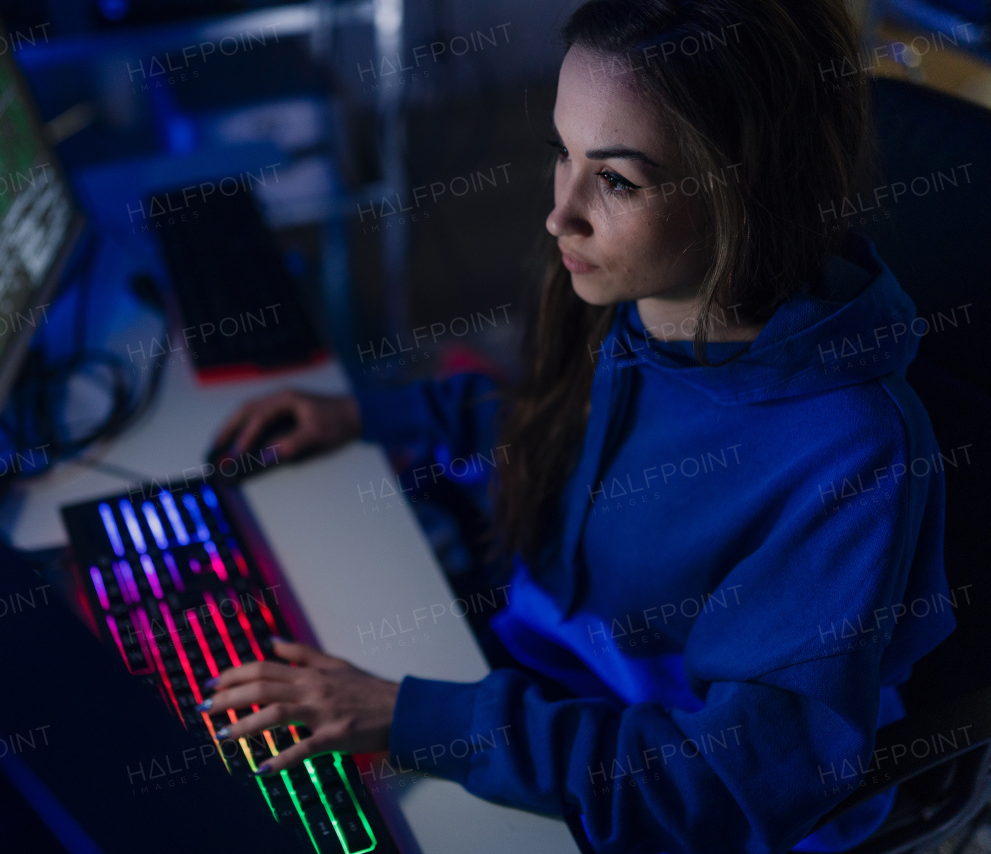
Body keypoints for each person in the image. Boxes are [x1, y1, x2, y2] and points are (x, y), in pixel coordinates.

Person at [198, 0, 955, 850]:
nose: (561, 214)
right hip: (547, 687)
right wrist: (374, 414)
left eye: (619, 179)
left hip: (649, 793)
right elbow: (558, 432)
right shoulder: (629, 289)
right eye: (564, 152)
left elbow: (722, 788)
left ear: (754, 187)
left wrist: (417, 719)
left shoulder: (857, 457)